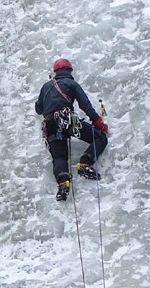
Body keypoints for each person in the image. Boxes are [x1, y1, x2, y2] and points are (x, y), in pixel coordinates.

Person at [35, 58, 109, 201]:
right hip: (68, 119)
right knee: (99, 137)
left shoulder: (46, 87)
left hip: (50, 125)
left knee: (59, 156)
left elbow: (38, 109)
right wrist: (97, 121)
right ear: (69, 71)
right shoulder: (71, 83)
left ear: (56, 72)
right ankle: (86, 163)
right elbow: (85, 104)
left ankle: (63, 183)